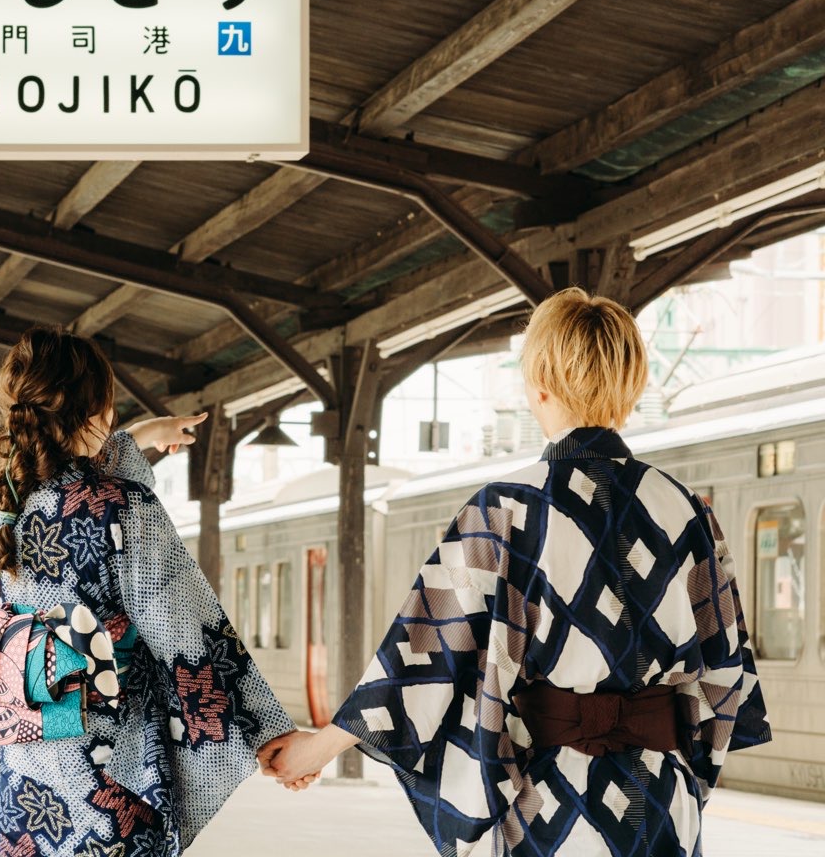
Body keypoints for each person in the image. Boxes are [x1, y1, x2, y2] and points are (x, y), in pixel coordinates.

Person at [264, 287, 771, 856]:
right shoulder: (686, 509)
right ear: (631, 385)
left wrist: (317, 749)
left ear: (540, 384)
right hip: (660, 801)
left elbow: (422, 656)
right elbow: (726, 669)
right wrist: (684, 773)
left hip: (547, 798)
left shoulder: (504, 509)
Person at [0, 326, 309, 857]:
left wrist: (139, 436)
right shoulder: (124, 505)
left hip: (28, 760)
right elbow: (186, 635)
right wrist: (262, 729)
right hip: (114, 764)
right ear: (99, 409)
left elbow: (72, 487)